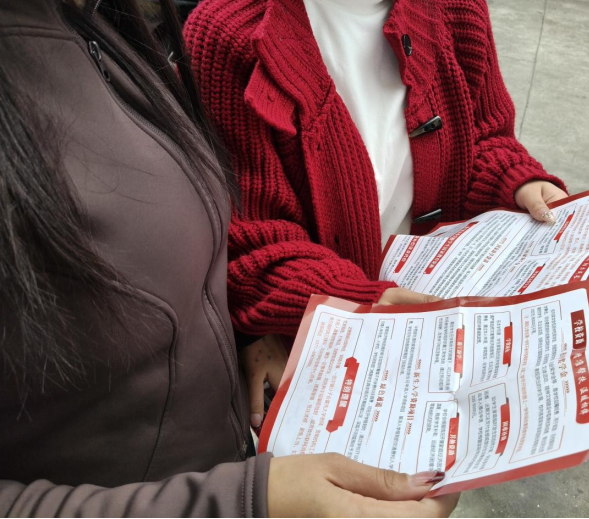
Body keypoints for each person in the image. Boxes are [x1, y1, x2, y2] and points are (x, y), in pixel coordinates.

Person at [0, 0, 459, 516]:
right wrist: (248, 501)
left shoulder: (96, 21)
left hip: (241, 445)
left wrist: (242, 331)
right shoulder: (226, 32)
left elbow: (190, 240)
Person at [184, 0, 569, 428]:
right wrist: (357, 299)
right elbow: (249, 236)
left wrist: (516, 181)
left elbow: (483, 134)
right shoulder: (228, 33)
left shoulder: (457, 9)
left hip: (444, 334)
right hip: (324, 354)